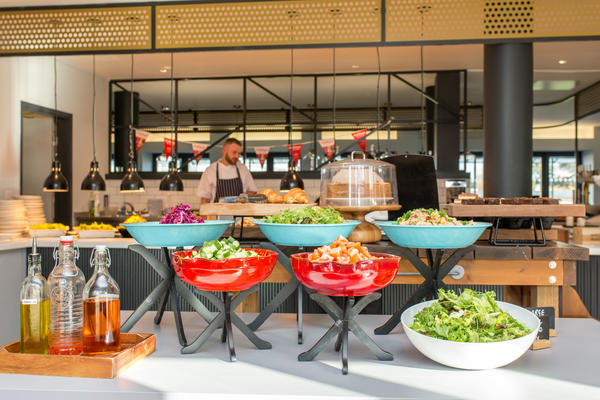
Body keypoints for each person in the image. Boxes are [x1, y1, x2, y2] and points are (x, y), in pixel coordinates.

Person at [197, 138, 257, 203]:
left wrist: (241, 198)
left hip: (240, 212)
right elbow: (205, 199)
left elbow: (253, 191)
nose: (237, 156)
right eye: (234, 152)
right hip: (217, 212)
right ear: (224, 150)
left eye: (239, 153)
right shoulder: (210, 171)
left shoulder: (243, 169)